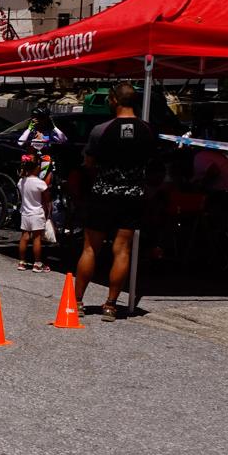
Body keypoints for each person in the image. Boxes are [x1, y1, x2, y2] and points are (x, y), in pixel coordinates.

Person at [74, 83, 158, 321]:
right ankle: (110, 305)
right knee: (122, 249)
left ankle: (77, 301)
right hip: (133, 194)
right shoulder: (148, 130)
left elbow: (88, 163)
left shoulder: (101, 130)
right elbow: (153, 164)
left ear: (113, 100)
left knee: (91, 247)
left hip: (104, 192)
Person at [18, 105, 68, 181]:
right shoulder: (30, 132)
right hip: (31, 163)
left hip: (45, 162)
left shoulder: (49, 132)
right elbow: (20, 143)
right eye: (34, 117)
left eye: (39, 118)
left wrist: (54, 127)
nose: (36, 120)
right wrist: (29, 129)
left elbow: (64, 140)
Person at [17, 154, 49, 271]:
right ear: (36, 168)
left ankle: (22, 261)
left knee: (24, 236)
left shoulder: (21, 181)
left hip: (25, 212)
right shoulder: (40, 183)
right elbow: (47, 198)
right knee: (36, 238)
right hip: (37, 213)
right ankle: (37, 263)